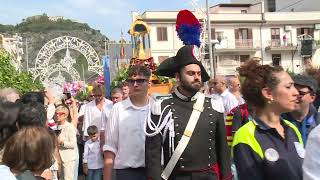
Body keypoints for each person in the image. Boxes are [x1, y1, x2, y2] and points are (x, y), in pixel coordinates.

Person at [145, 45, 232, 180]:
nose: (197, 77)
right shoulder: (161, 107)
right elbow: (153, 154)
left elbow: (223, 150)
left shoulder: (214, 106)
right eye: (191, 73)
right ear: (178, 77)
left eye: (198, 73)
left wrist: (227, 177)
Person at [232, 60, 303, 180]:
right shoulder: (245, 136)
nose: (296, 92)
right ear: (268, 93)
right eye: (288, 87)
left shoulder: (292, 129)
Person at [103, 65, 151, 180]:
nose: (135, 84)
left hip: (154, 171)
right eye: (131, 81)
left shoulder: (158, 107)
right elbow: (110, 147)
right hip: (127, 173)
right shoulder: (118, 109)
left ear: (149, 83)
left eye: (140, 80)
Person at [281, 74, 319, 144]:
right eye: (292, 91)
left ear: (312, 97)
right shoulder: (279, 121)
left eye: (300, 93)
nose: (295, 95)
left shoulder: (318, 122)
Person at [54, 104, 78, 180]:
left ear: (65, 115)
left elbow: (73, 144)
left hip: (68, 158)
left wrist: (62, 143)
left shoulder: (70, 127)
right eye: (56, 113)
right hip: (58, 158)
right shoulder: (56, 126)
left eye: (60, 114)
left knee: (68, 178)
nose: (58, 115)